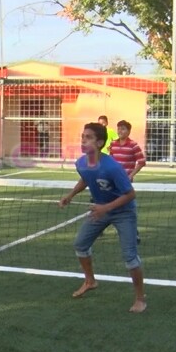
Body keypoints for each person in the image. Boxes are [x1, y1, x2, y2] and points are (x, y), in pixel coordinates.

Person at [58, 122, 146, 313]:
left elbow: (130, 194)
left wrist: (106, 207)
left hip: (123, 212)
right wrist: (70, 195)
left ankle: (140, 299)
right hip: (100, 210)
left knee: (129, 257)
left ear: (99, 143)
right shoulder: (81, 163)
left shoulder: (112, 167)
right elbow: (86, 179)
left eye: (88, 137)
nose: (83, 140)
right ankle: (90, 281)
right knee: (80, 244)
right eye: (82, 136)